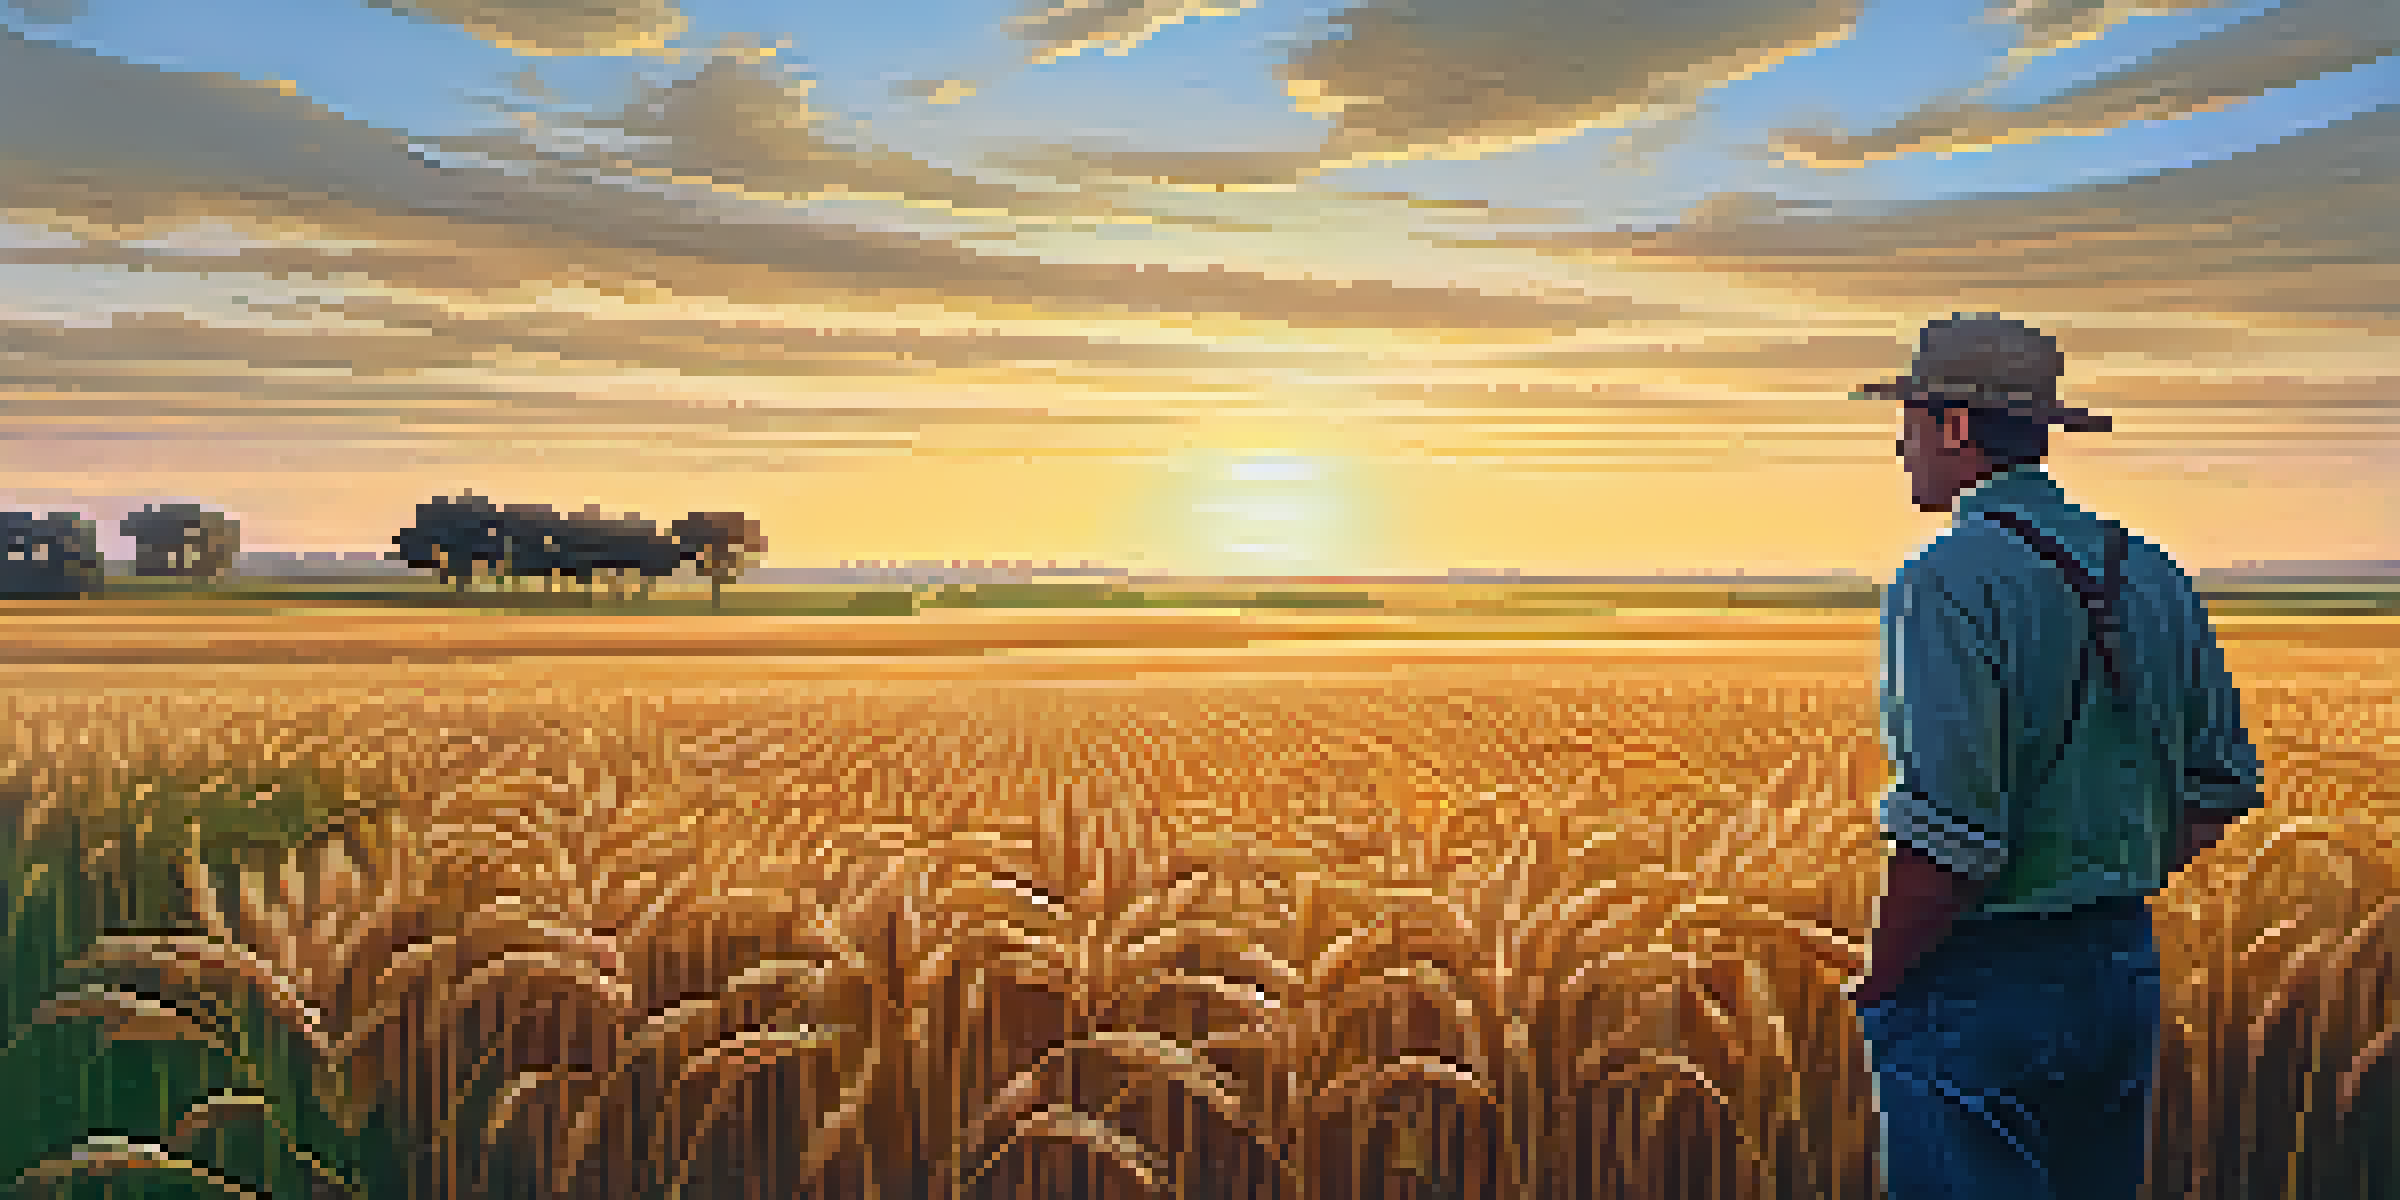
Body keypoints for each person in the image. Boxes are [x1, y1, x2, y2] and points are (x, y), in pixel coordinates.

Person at [1841, 313, 2267, 1199]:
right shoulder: (2151, 571)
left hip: (1980, 976)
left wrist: (1883, 982)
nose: (1899, 446)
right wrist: (2112, 859)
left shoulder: (1945, 578)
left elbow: (1952, 835)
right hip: (2120, 967)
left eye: (1911, 420)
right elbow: (2223, 779)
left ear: (1955, 426)